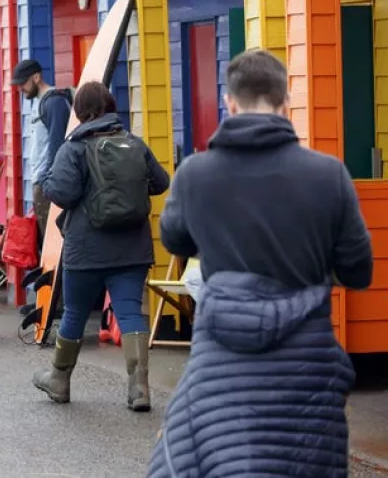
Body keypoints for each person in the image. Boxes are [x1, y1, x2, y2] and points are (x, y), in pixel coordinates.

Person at [147, 50, 373, 477]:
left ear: (229, 103)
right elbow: (359, 270)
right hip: (307, 366)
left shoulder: (195, 174)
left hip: (221, 364)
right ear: (286, 102)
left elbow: (175, 238)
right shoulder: (328, 175)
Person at [31, 82, 169, 410]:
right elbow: (161, 182)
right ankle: (139, 389)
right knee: (130, 310)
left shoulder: (74, 147)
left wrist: (48, 180)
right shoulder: (132, 143)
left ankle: (60, 381)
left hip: (86, 248)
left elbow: (61, 193)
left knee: (76, 312)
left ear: (79, 111)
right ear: (110, 106)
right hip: (131, 247)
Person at [11, 59, 72, 241]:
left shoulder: (53, 103)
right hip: (41, 181)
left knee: (52, 241)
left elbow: (57, 144)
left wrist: (48, 182)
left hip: (48, 183)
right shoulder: (40, 103)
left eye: (23, 82)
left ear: (36, 77)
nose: (20, 88)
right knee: (44, 241)